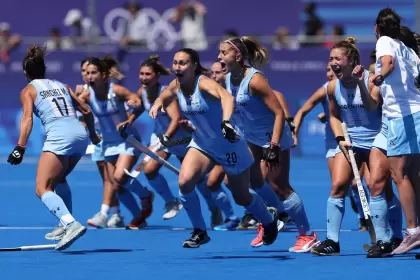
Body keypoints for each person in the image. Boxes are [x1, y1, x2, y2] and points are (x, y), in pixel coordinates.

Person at [147, 48, 279, 248]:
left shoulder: (205, 83)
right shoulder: (176, 85)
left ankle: (268, 220)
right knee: (184, 181)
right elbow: (163, 96)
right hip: (202, 144)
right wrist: (156, 105)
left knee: (241, 196)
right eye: (175, 63)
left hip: (229, 145)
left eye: (182, 63)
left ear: (193, 66)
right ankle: (200, 231)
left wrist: (226, 122)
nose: (177, 67)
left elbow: (227, 98)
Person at [218, 36, 317, 252]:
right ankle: (270, 216)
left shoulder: (255, 80)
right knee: (241, 182)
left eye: (224, 52)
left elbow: (278, 112)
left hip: (274, 138)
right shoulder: (227, 79)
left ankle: (307, 234)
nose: (219, 56)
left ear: (238, 55)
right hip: (252, 138)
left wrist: (273, 145)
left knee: (279, 187)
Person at [7, 45, 101, 250]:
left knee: (42, 188)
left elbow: (27, 119)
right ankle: (63, 223)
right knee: (60, 179)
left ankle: (70, 224)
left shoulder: (28, 90)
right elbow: (85, 109)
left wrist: (20, 147)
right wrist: (93, 135)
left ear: (25, 73)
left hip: (60, 137)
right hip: (80, 135)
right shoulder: (61, 84)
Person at [363, 8, 420, 255]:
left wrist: (378, 77)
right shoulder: (409, 51)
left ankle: (412, 232)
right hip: (417, 113)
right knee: (415, 175)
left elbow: (387, 63)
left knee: (399, 175)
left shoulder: (385, 42)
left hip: (401, 116)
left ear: (378, 27)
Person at [78, 56, 154, 230]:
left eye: (93, 73)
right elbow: (77, 110)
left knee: (119, 177)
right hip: (108, 143)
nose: (89, 76)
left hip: (128, 140)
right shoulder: (87, 95)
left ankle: (145, 195)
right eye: (87, 73)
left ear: (104, 75)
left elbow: (138, 102)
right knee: (116, 186)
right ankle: (138, 217)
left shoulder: (116, 90)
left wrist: (133, 107)